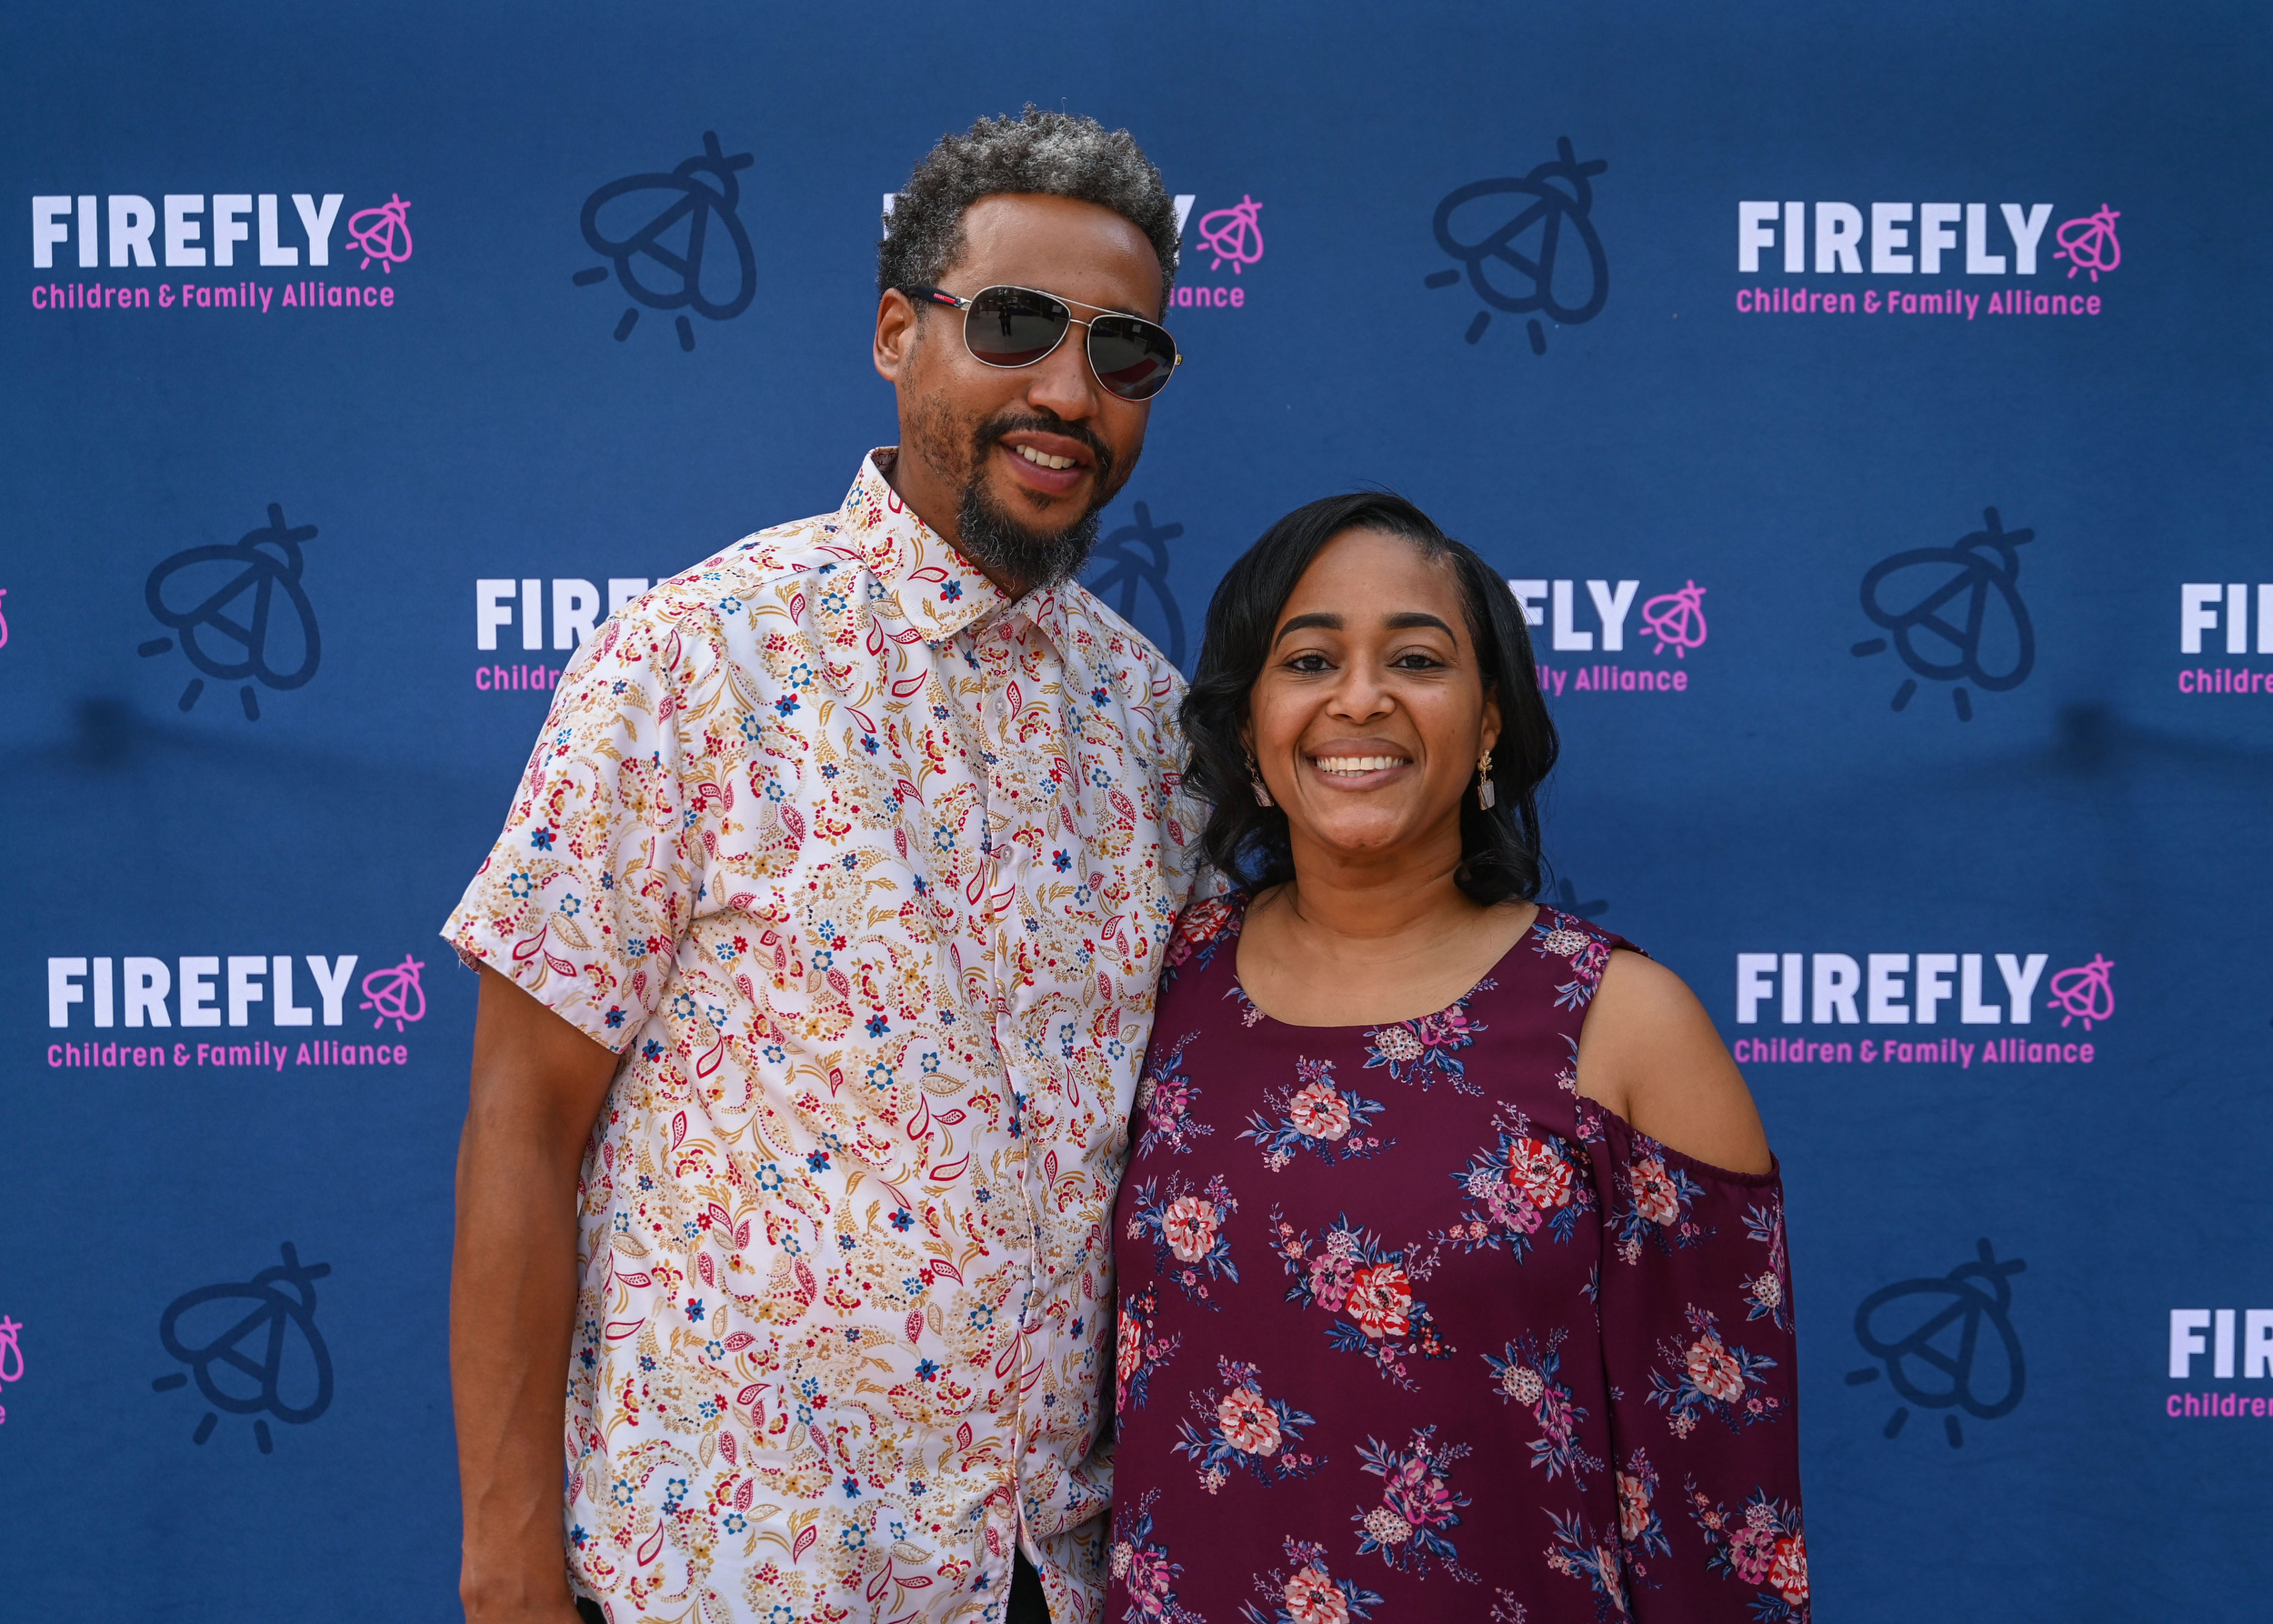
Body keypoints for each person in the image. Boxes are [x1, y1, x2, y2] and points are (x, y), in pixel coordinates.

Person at [445, 108, 1198, 1624]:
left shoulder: (1156, 729)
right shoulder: (691, 659)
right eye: (1015, 324)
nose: (1068, 391)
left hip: (1042, 1576)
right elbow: (521, 1128)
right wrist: (509, 1568)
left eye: (1124, 353)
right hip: (728, 1576)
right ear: (895, 334)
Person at [1106, 494, 1807, 1622]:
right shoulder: (1152, 988)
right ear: (1246, 726)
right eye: (1309, 659)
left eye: (1417, 659)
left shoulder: (1622, 1025)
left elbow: (1723, 1521)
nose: (1360, 697)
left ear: (1488, 721)